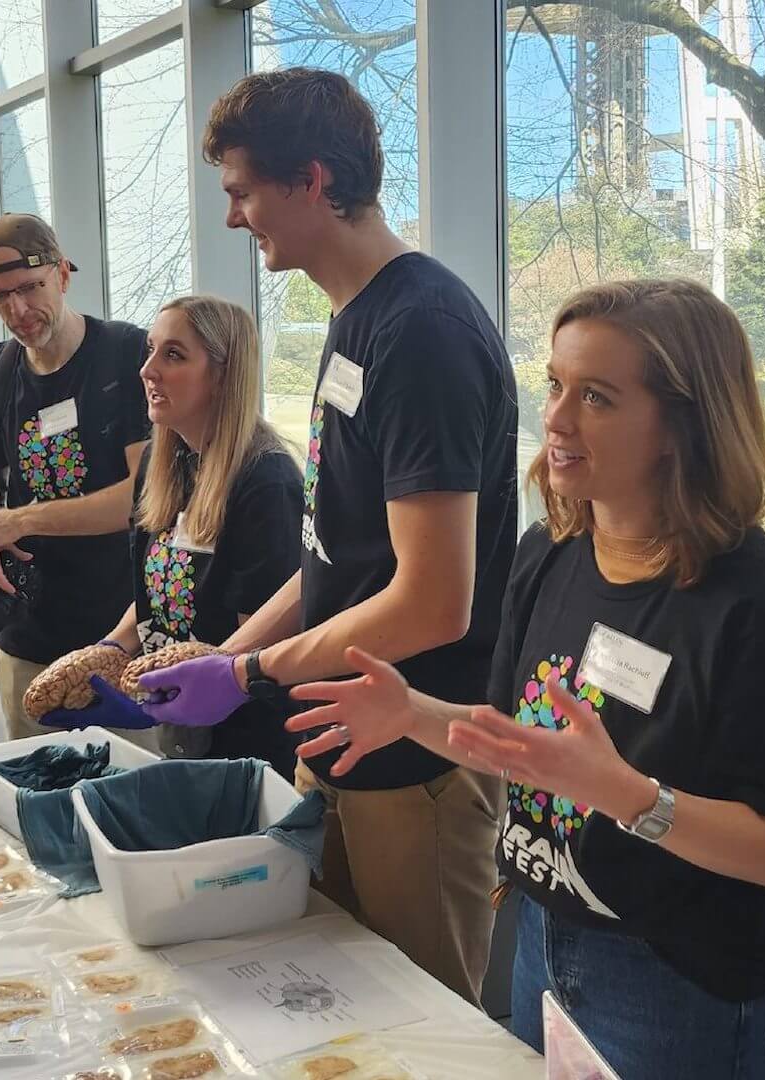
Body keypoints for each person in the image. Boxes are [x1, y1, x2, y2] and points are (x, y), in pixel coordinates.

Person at [283, 280, 765, 1077]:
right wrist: (410, 712)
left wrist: (630, 798)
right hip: (547, 935)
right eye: (555, 385)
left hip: (680, 978)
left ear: (682, 425)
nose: (557, 419)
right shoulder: (550, 552)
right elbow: (520, 747)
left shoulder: (760, 605)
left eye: (598, 398)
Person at [133, 68, 519, 1003]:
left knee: (422, 1027)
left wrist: (255, 676)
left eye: (242, 192)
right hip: (343, 737)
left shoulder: (422, 330)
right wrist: (222, 655)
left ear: (310, 180)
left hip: (417, 753)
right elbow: (336, 558)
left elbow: (434, 601)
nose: (234, 218)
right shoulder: (357, 321)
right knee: (341, 1012)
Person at [37, 296, 304, 776]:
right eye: (150, 351)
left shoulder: (265, 481)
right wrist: (112, 650)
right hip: (183, 734)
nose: (147, 370)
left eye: (173, 355)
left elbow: (263, 634)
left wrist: (153, 696)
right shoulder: (166, 468)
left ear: (222, 374)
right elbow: (157, 595)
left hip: (247, 740)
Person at [0, 213, 151, 738]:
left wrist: (15, 522)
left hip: (117, 633)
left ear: (63, 274)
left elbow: (144, 494)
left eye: (30, 288)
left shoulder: (125, 354)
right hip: (26, 630)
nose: (18, 310)